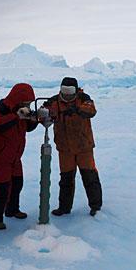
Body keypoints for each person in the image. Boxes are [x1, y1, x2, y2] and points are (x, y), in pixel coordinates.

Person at [43, 77, 102, 217]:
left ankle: (95, 206)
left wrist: (77, 109)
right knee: (66, 179)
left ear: (76, 90)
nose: (67, 94)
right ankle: (64, 207)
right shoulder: (54, 101)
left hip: (83, 147)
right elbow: (44, 114)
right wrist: (42, 115)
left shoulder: (84, 98)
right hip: (65, 148)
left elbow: (91, 110)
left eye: (70, 91)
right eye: (64, 91)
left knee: (90, 177)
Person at [0, 83, 37, 229]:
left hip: (15, 157)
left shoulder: (21, 109)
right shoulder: (2, 107)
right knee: (1, 188)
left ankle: (12, 210)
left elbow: (27, 128)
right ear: (18, 98)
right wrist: (17, 116)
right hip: (1, 157)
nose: (28, 104)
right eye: (26, 101)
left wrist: (34, 120)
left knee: (17, 184)